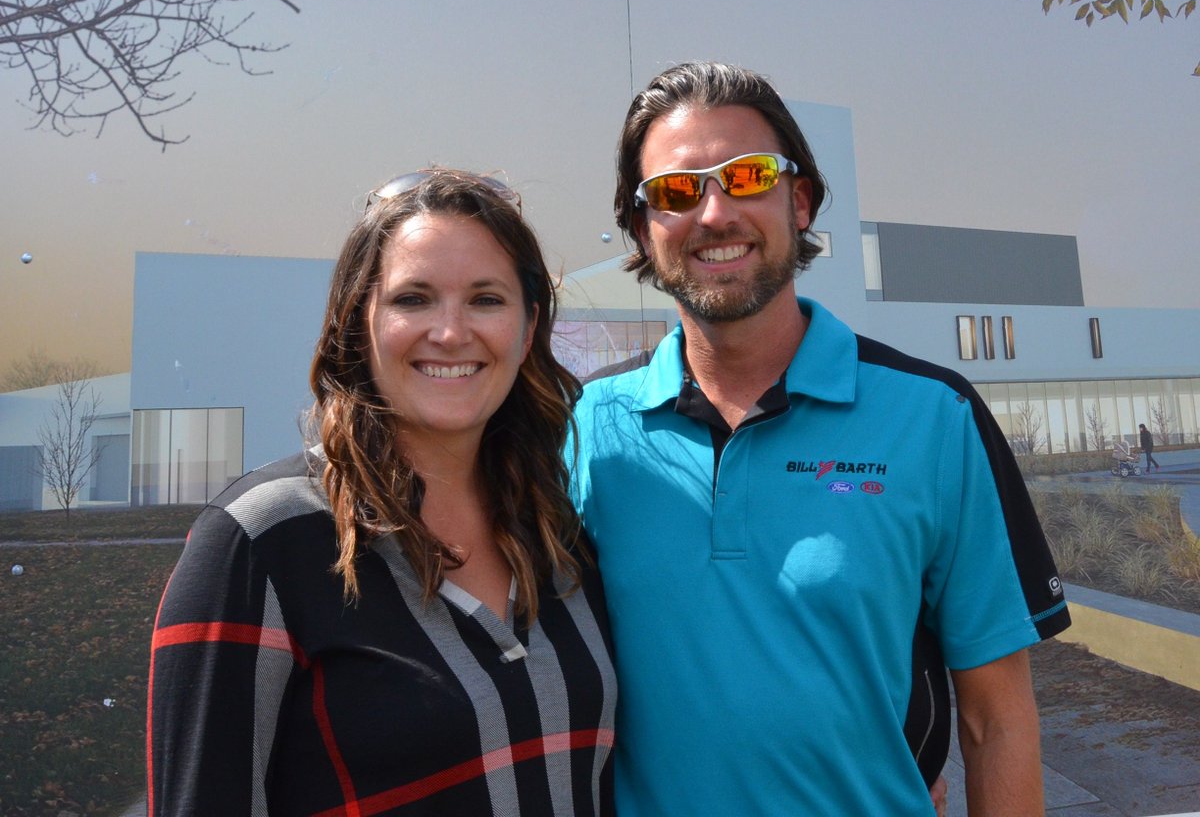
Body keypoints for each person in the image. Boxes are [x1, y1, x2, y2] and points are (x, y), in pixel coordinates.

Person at [573, 62, 1070, 817]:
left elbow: (994, 721)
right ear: (644, 228)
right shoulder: (588, 428)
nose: (713, 214)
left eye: (746, 178)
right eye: (676, 191)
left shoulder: (932, 416)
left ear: (798, 201)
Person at [148, 170, 617, 816]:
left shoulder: (560, 532)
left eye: (486, 299)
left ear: (528, 327)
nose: (451, 333)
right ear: (357, 321)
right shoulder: (261, 542)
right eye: (413, 299)